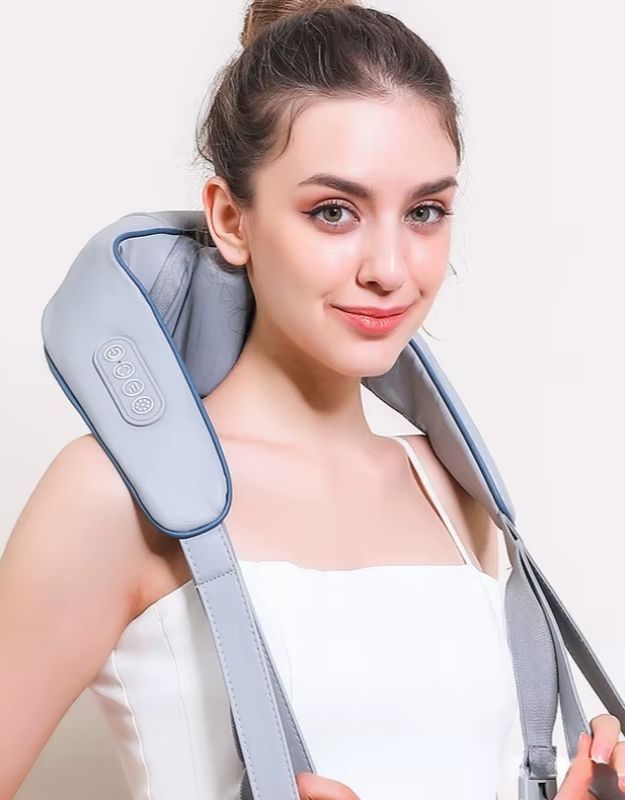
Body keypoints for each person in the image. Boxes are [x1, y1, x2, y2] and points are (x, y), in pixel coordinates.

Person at [1, 1, 621, 799]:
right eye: (334, 212)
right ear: (231, 219)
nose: (390, 268)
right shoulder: (113, 498)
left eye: (424, 211)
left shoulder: (452, 491)